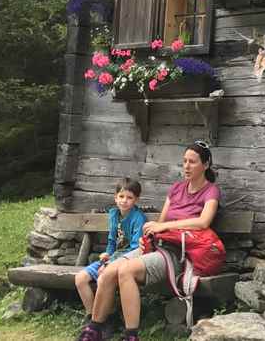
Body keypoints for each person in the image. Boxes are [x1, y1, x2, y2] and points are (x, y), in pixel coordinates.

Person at [77, 141, 221, 341]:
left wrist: (164, 226)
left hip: (179, 253)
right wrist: (151, 231)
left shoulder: (211, 191)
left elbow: (204, 222)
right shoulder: (176, 189)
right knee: (109, 271)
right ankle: (96, 328)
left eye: (193, 162)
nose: (186, 166)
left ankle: (131, 336)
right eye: (184, 161)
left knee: (126, 271)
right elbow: (160, 223)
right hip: (158, 246)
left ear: (205, 165)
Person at [74, 178, 146, 319]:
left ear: (136, 200)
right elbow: (112, 240)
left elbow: (135, 249)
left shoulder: (138, 218)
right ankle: (92, 317)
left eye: (129, 197)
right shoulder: (114, 214)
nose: (124, 200)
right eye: (121, 196)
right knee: (80, 278)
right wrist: (107, 253)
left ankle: (106, 317)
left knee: (103, 278)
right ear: (115, 197)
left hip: (126, 261)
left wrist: (109, 264)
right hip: (111, 259)